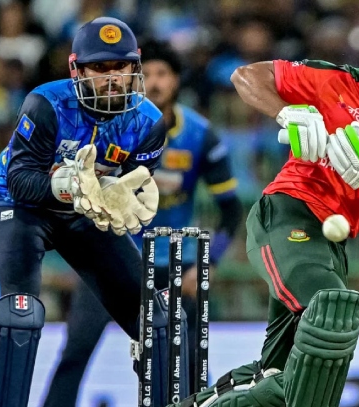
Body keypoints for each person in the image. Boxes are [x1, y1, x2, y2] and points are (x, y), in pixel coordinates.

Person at [169, 4, 359, 407]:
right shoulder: (333, 80)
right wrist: (289, 114)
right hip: (288, 214)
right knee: (332, 310)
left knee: (282, 376)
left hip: (331, 245)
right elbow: (245, 76)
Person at [0, 17, 183, 407]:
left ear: (135, 66)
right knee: (17, 314)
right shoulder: (46, 104)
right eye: (100, 68)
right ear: (77, 70)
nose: (113, 78)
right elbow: (19, 180)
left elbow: (128, 190)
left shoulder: (149, 124)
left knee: (159, 320)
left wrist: (115, 195)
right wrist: (71, 186)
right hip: (20, 208)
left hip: (85, 213)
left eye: (121, 66)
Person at [41, 39, 243, 407]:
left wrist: (207, 265)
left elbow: (231, 210)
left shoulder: (200, 135)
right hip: (112, 257)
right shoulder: (109, 126)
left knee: (190, 361)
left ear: (176, 80)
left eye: (162, 73)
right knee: (76, 350)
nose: (154, 82)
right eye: (145, 73)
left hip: (176, 266)